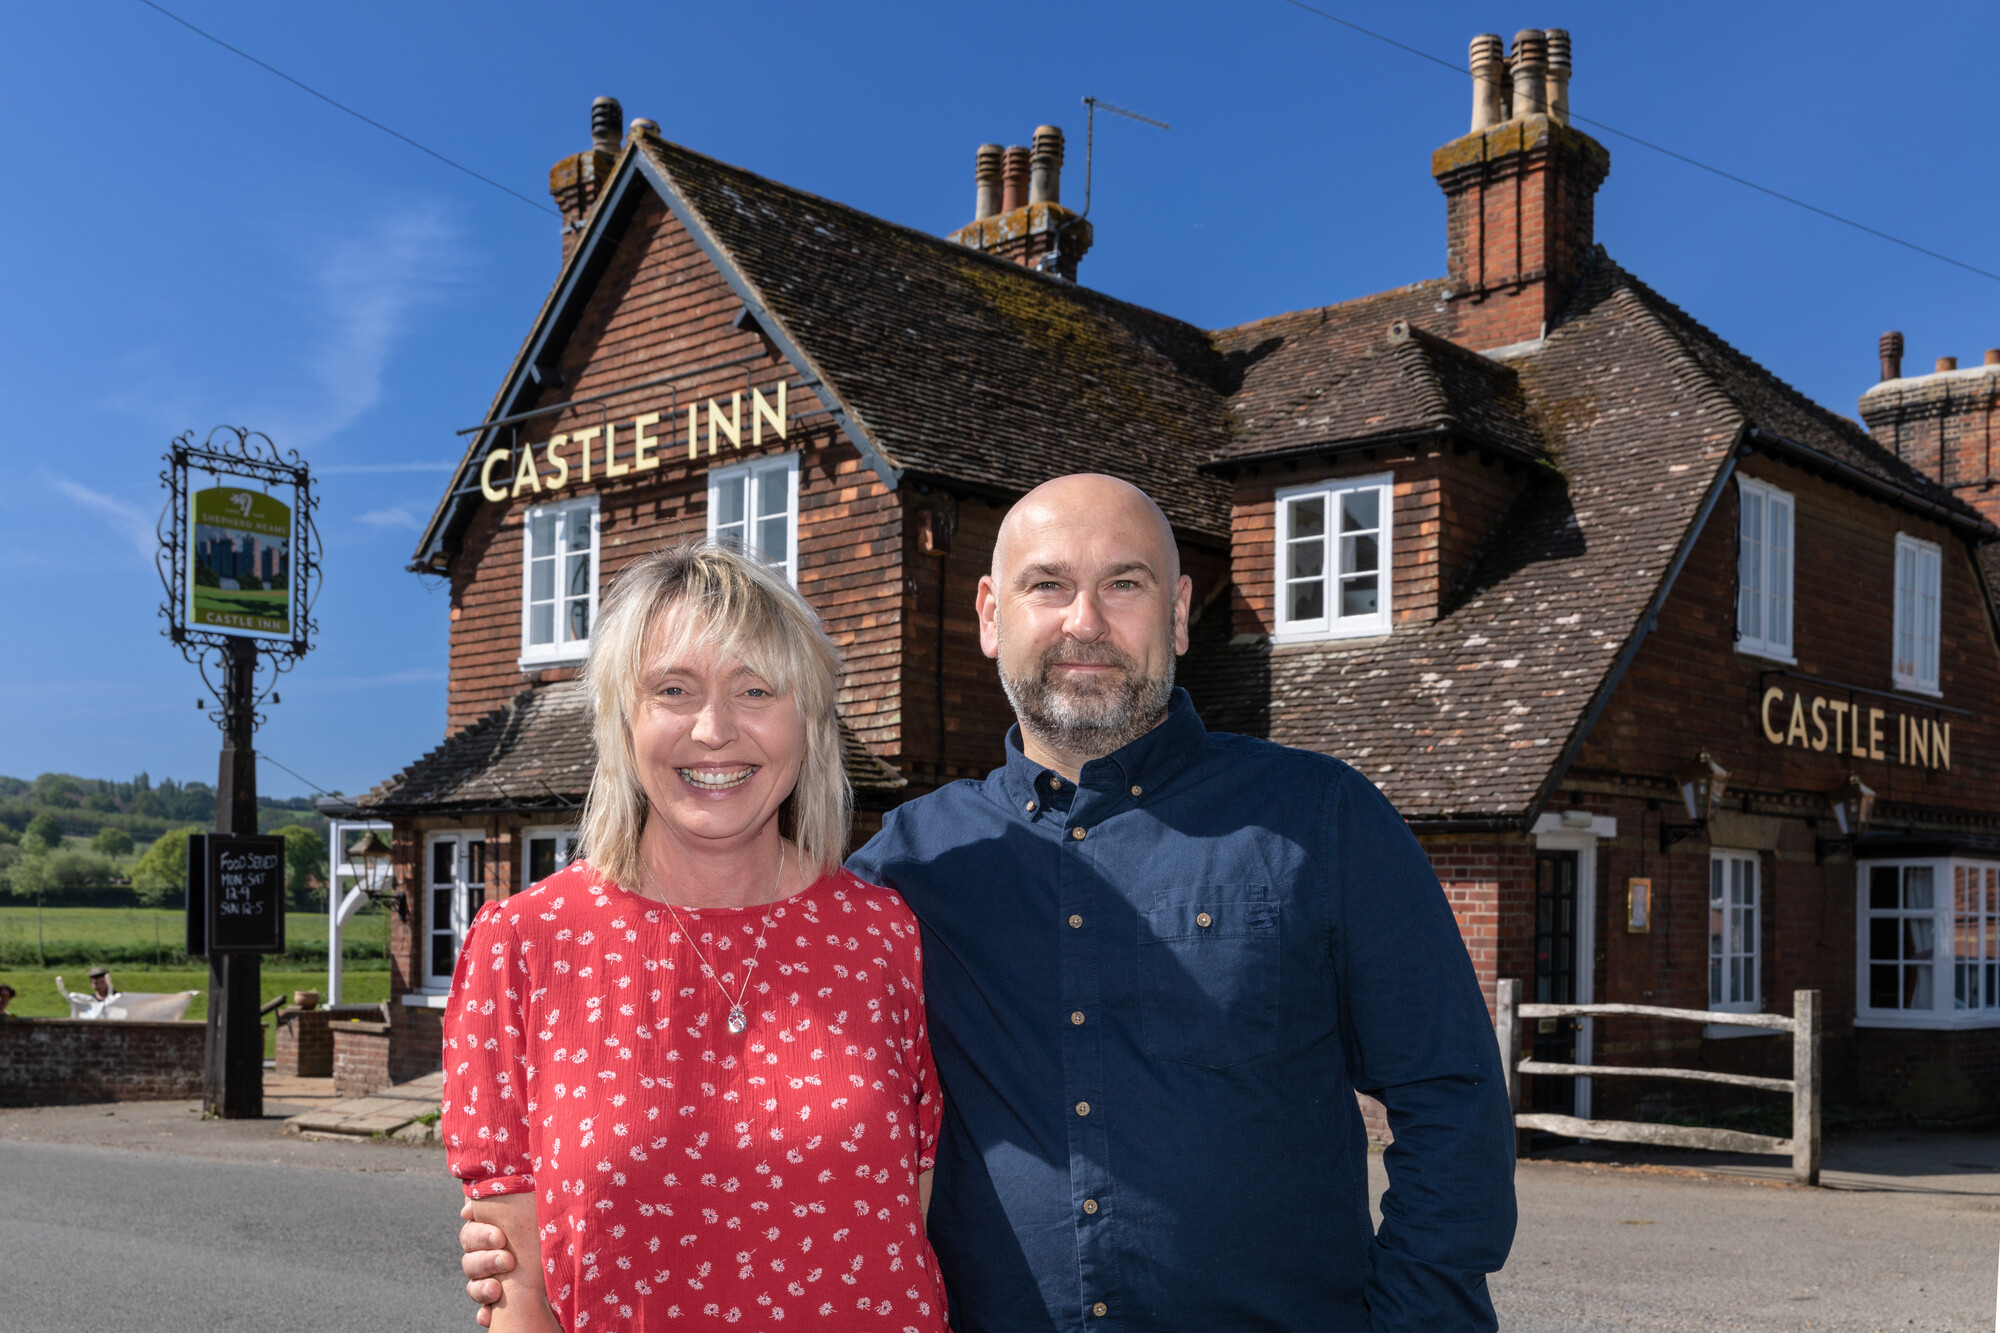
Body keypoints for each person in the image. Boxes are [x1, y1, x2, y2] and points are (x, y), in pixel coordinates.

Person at [467, 476, 1516, 1329]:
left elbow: (1451, 1101)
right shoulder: (903, 874)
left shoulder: (1317, 819)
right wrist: (532, 1222)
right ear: (988, 617)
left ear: (1182, 613)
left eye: (1125, 584)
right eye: (1047, 586)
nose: (1084, 622)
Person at [443, 543, 948, 1332]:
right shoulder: (525, 944)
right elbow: (520, 1297)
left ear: (808, 721)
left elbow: (908, 1217)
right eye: (673, 689)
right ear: (621, 719)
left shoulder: (882, 934)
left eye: (754, 689)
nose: (714, 729)